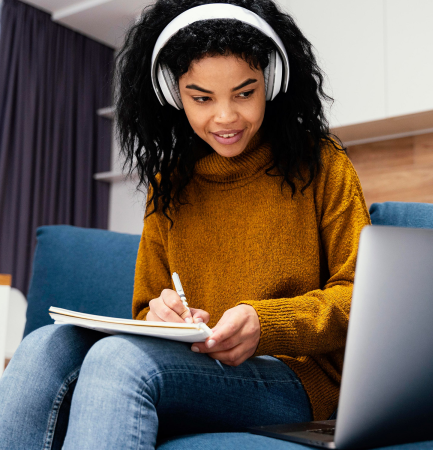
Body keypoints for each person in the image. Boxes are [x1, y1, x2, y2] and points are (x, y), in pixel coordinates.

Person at [0, 0, 370, 448]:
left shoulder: (323, 163)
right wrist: (163, 315)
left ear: (270, 83)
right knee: (43, 345)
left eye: (244, 92)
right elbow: (143, 309)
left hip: (297, 378)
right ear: (174, 95)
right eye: (201, 98)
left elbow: (362, 298)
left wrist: (264, 324)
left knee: (119, 361)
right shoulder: (169, 185)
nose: (226, 117)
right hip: (195, 366)